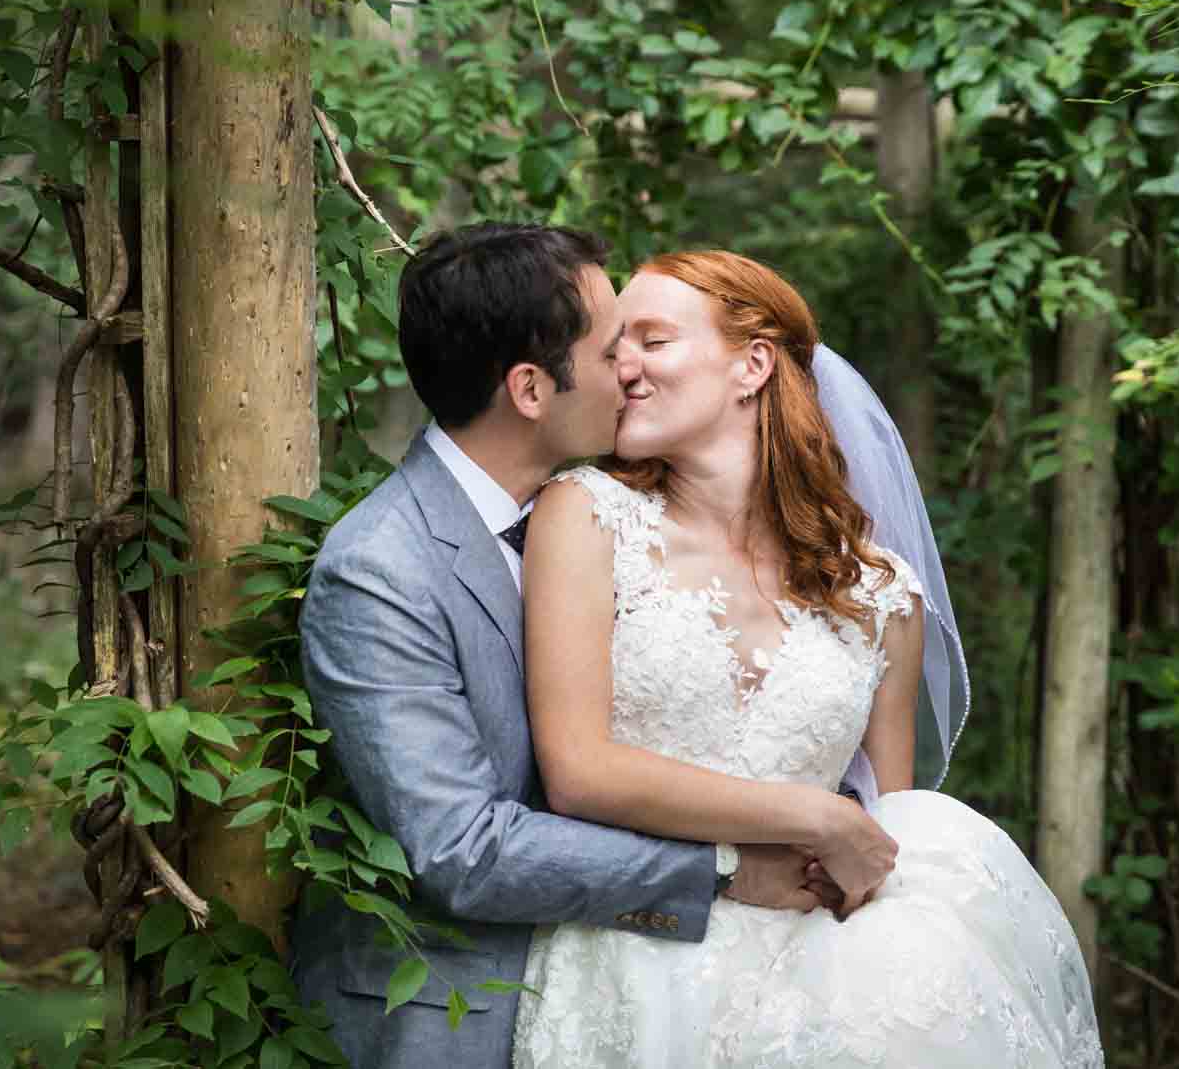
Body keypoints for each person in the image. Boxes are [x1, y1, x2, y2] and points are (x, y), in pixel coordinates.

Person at [290, 224, 894, 1069]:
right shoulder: (381, 567)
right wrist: (723, 872)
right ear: (532, 389)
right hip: (459, 1014)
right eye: (613, 348)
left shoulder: (600, 517)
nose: (632, 372)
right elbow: (464, 850)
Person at [511, 250, 1103, 1069]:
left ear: (751, 364)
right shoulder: (584, 515)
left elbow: (885, 829)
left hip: (820, 983)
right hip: (635, 961)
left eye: (652, 339)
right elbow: (578, 771)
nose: (625, 368)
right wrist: (814, 815)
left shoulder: (882, 594)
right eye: (615, 348)